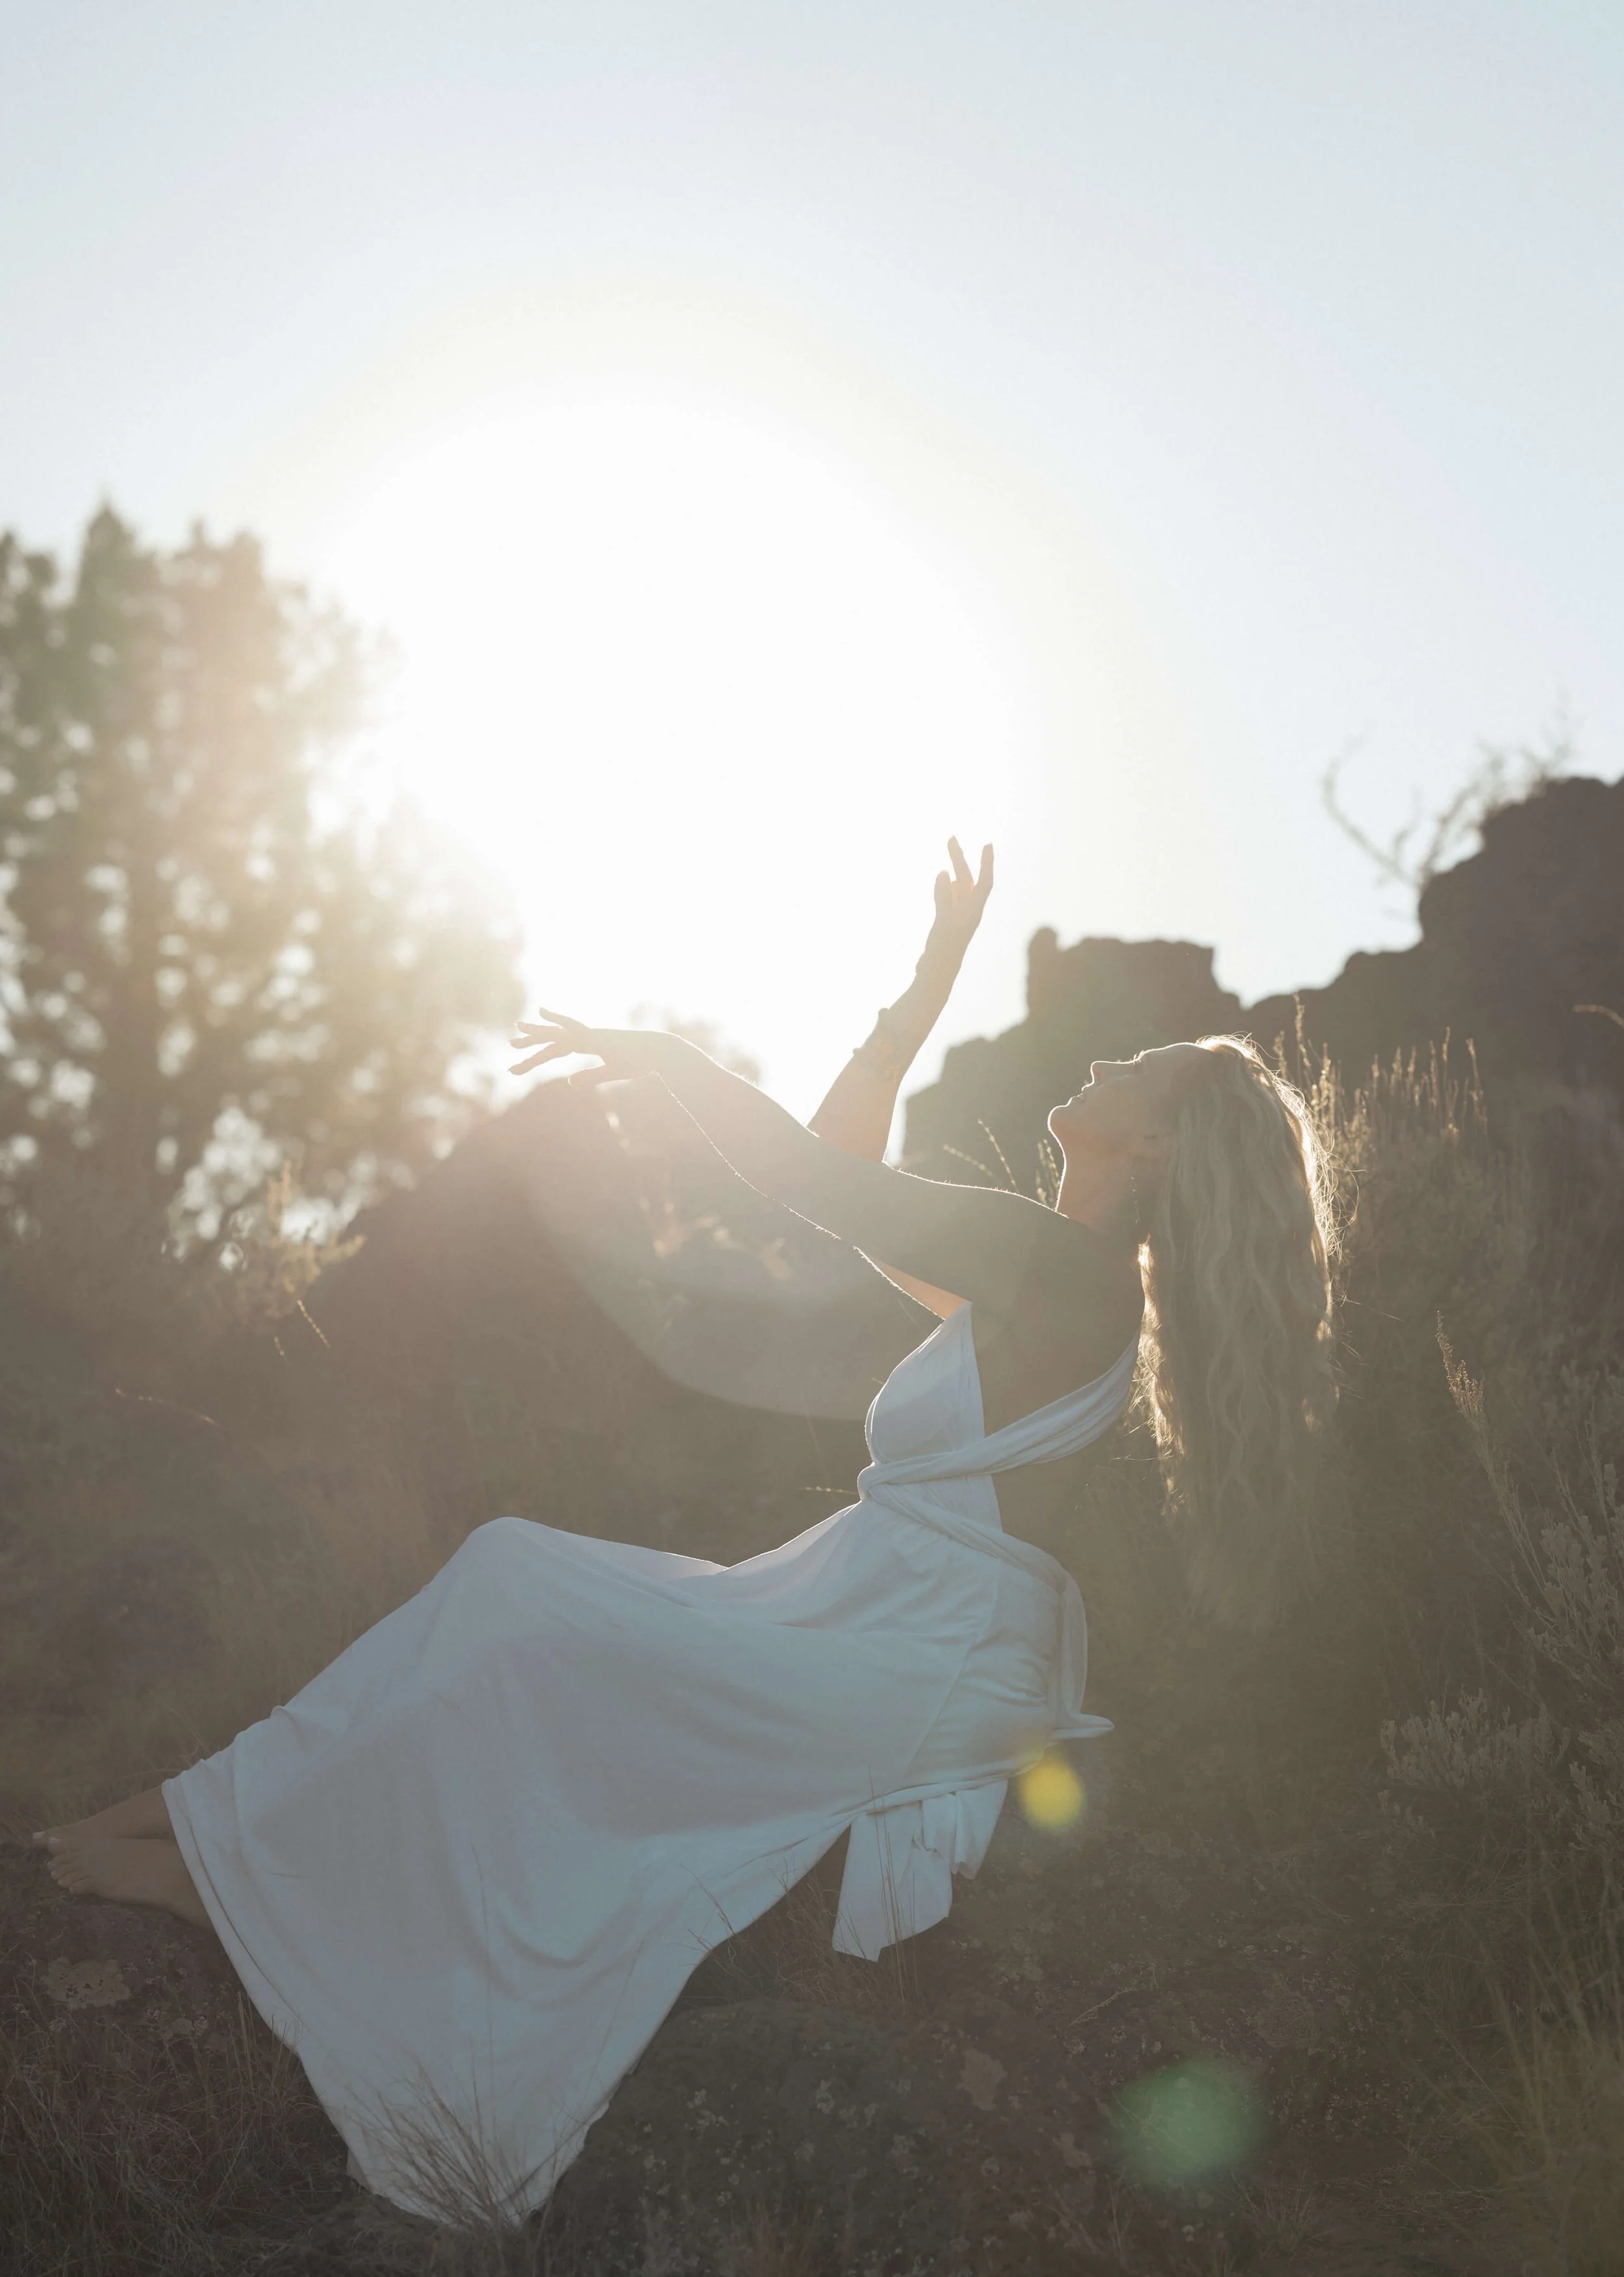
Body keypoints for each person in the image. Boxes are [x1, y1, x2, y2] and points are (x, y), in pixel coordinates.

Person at [34, 841, 1336, 2221]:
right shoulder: (1038, 1267)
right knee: (515, 1600)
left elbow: (801, 1182)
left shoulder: (1063, 1270)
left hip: (909, 1646)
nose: (1107, 1065)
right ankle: (207, 1833)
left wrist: (661, 1053)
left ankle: (224, 1862)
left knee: (519, 1601)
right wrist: (921, 989)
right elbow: (843, 1167)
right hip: (877, 1611)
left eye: (1139, 1073)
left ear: (1157, 1145)